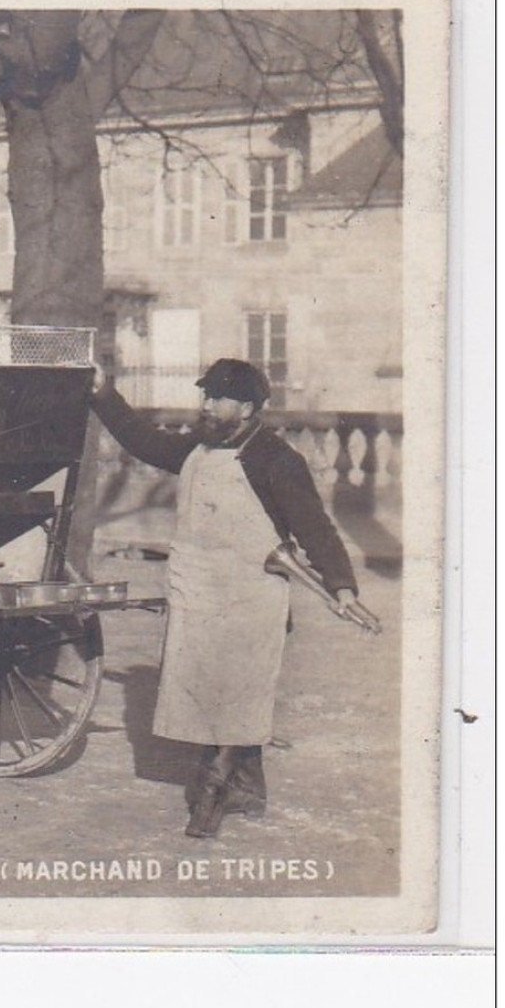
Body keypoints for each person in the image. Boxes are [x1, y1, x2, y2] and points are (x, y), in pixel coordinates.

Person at [91, 357, 377, 838]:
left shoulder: (277, 460)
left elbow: (314, 528)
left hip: (252, 596)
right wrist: (103, 394)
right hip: (199, 589)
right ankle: (247, 788)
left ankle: (210, 793)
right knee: (205, 688)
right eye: (204, 395)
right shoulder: (197, 449)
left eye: (215, 398)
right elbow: (144, 441)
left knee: (237, 692)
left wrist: (341, 586)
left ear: (245, 407)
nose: (205, 404)